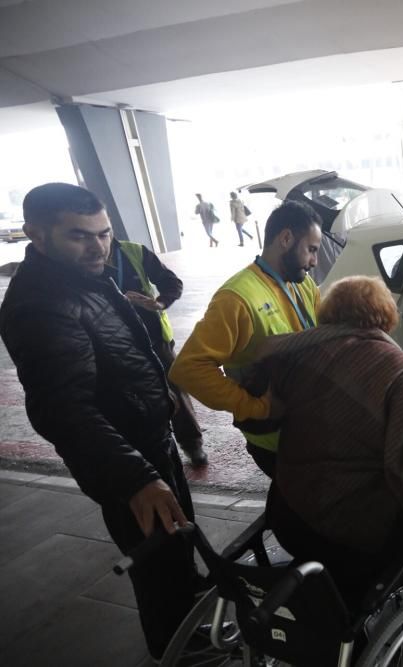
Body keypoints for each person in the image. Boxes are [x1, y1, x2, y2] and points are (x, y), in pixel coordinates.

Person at [0, 183, 200, 660]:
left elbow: (118, 352)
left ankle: (191, 621)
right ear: (37, 236)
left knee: (178, 553)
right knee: (159, 575)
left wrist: (160, 394)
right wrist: (136, 479)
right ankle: (179, 652)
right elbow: (61, 410)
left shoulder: (85, 277)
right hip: (125, 464)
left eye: (105, 233)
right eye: (80, 236)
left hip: (150, 442)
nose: (99, 247)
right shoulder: (40, 305)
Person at [262, 276, 403, 608]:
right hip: (350, 535)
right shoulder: (398, 373)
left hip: (287, 513)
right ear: (385, 317)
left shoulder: (299, 351)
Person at [170, 201, 322, 478]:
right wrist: (257, 407)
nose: (314, 261)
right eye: (311, 250)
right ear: (286, 239)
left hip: (308, 429)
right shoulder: (236, 297)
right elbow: (188, 369)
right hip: (276, 441)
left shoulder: (303, 284)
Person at [108, 236, 208, 466]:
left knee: (176, 388)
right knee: (133, 398)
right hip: (115, 344)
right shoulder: (80, 260)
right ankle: (149, 449)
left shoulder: (134, 252)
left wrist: (159, 303)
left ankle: (192, 444)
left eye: (103, 233)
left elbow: (172, 282)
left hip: (154, 339)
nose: (97, 242)